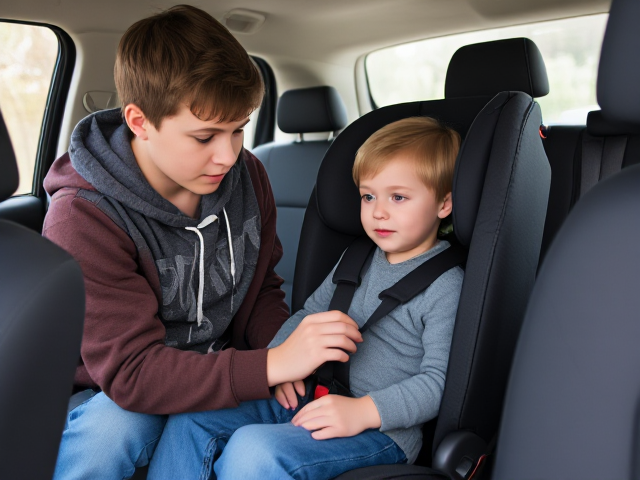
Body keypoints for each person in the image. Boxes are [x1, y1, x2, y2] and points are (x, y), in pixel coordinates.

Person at [44, 5, 362, 479]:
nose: (227, 154)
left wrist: (283, 353)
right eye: (205, 136)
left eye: (238, 130)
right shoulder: (83, 216)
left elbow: (259, 289)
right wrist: (268, 365)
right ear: (140, 121)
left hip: (219, 363)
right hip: (118, 389)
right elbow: (132, 373)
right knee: (116, 431)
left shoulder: (249, 176)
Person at [147, 116, 465, 479]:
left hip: (379, 431)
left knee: (254, 450)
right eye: (368, 195)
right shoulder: (357, 257)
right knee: (192, 417)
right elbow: (308, 315)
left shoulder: (445, 286)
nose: (378, 211)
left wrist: (363, 411)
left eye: (398, 197)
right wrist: (283, 366)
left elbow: (438, 382)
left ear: (444, 205)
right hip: (313, 395)